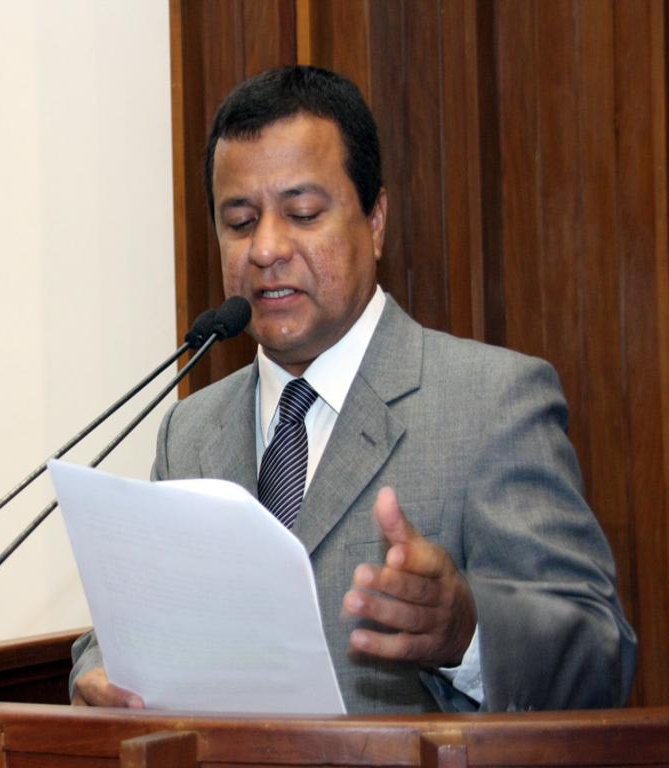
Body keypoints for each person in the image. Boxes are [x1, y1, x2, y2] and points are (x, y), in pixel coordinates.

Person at [69, 66, 636, 713]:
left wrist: (467, 632)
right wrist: (98, 669)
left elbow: (601, 652)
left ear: (375, 220)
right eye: (240, 221)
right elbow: (127, 627)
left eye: (303, 213)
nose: (266, 249)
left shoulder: (492, 403)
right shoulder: (190, 431)